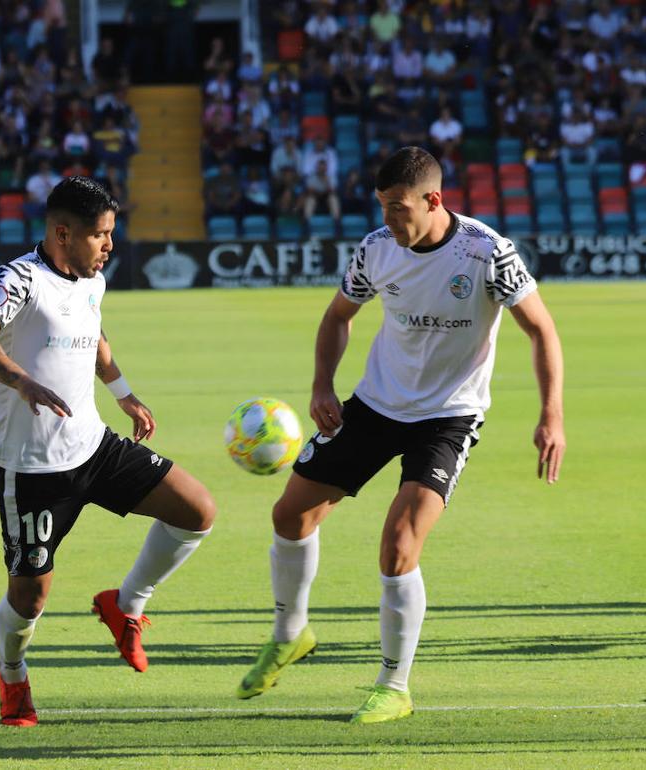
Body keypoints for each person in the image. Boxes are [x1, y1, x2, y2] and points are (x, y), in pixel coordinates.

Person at [235, 147, 565, 724]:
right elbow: (338, 316)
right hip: (375, 406)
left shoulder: (487, 253)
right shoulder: (376, 249)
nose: (389, 220)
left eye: (398, 208)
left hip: (447, 418)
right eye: (383, 208)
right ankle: (292, 632)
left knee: (398, 544)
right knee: (290, 515)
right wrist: (321, 386)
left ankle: (395, 685)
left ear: (434, 200)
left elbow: (541, 329)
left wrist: (551, 415)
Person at [0, 177, 217, 727]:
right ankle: (12, 674)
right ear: (62, 233)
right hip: (30, 470)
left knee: (196, 511)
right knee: (28, 600)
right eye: (100, 235)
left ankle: (126, 605)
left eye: (110, 234)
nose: (109, 245)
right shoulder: (19, 278)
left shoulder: (90, 279)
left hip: (92, 446)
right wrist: (22, 381)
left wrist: (124, 394)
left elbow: (93, 336)